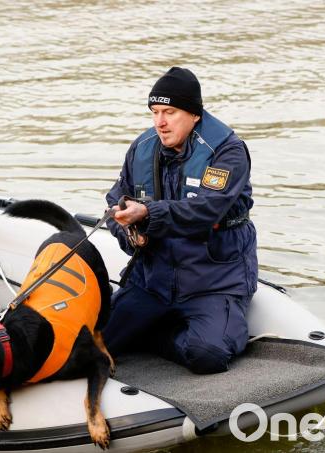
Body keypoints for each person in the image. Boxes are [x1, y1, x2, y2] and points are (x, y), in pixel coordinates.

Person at [102, 67, 258, 374]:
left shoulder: (227, 152)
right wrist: (130, 236)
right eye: (155, 112)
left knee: (207, 354)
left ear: (194, 114)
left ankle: (152, 335)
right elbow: (114, 202)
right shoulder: (142, 148)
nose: (160, 122)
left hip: (212, 281)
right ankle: (148, 327)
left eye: (170, 112)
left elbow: (207, 210)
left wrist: (148, 213)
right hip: (153, 280)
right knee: (97, 342)